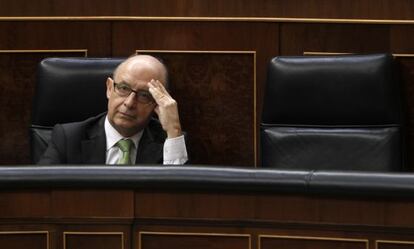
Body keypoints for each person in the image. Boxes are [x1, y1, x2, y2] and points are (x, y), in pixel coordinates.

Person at [38, 54, 188, 165]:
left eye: (144, 95)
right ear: (110, 88)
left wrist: (173, 130)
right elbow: (40, 193)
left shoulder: (169, 142)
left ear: (158, 103)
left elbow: (179, 201)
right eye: (123, 88)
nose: (129, 103)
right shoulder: (68, 138)